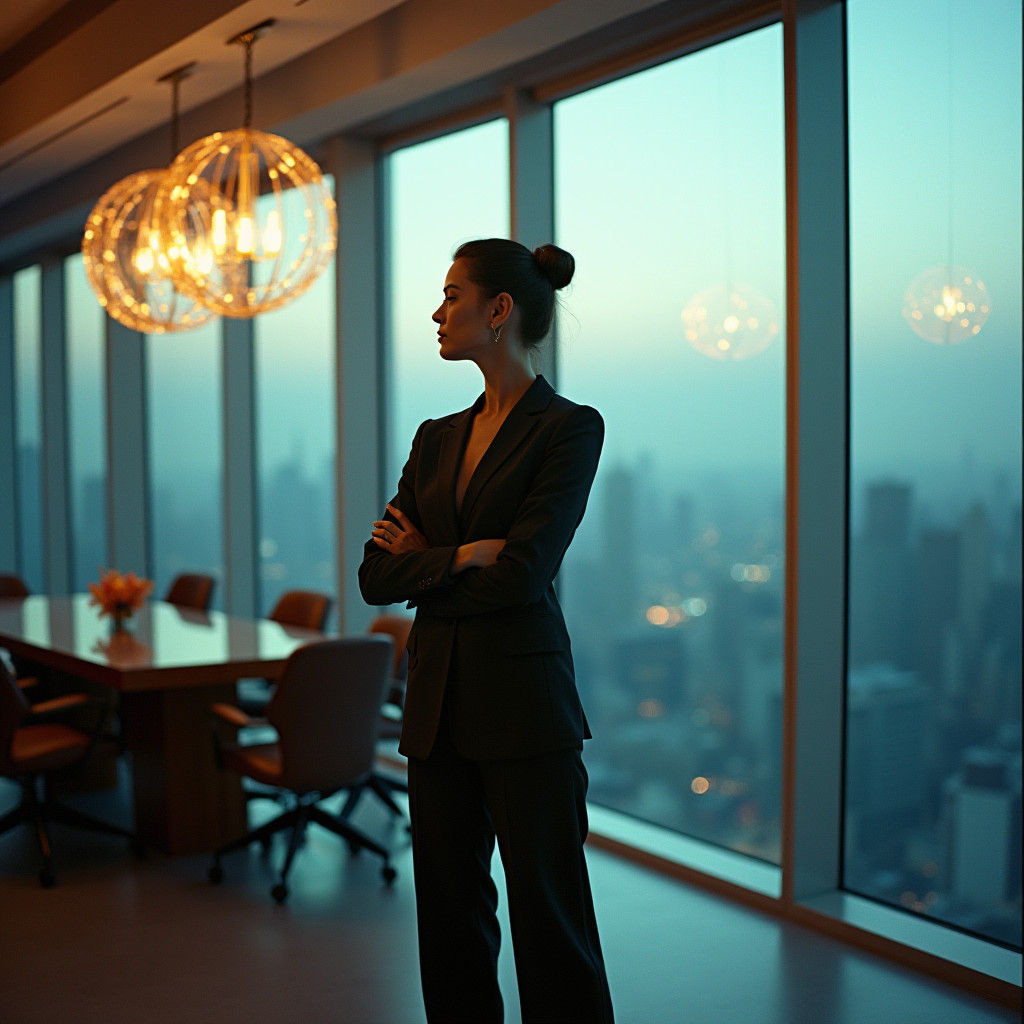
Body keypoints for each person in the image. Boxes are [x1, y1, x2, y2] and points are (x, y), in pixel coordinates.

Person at [358, 238, 614, 1024]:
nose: (437, 313)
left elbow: (523, 576)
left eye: (452, 295)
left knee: (552, 923)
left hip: (527, 711)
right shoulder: (435, 437)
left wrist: (427, 570)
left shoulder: (568, 429)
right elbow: (374, 576)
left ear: (499, 310)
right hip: (434, 713)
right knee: (449, 922)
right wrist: (462, 555)